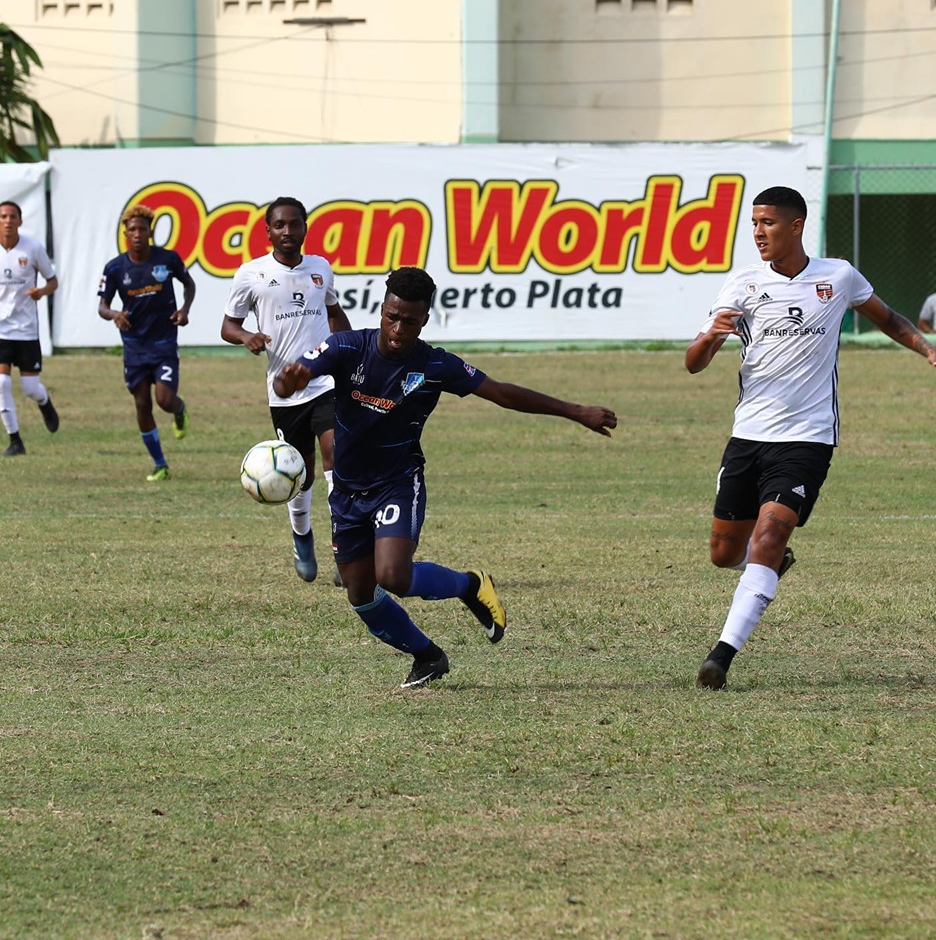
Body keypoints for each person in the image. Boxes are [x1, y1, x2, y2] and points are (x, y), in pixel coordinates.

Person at [274, 266, 618, 689]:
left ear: (425, 319)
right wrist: (289, 383)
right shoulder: (346, 346)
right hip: (346, 491)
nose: (398, 329)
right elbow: (294, 378)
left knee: (393, 576)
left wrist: (576, 411)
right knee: (359, 592)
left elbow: (501, 393)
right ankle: (428, 657)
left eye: (410, 321)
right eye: (392, 317)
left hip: (398, 483)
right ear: (382, 309)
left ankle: (470, 586)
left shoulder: (435, 364)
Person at [686, 186, 936, 691]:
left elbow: (888, 318)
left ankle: (721, 656)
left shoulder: (838, 276)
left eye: (767, 223)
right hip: (748, 435)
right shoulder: (742, 284)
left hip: (807, 438)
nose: (758, 233)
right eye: (754, 223)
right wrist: (709, 338)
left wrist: (928, 350)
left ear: (796, 226)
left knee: (770, 535)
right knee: (724, 553)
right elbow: (693, 364)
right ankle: (770, 566)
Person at [221, 196, 351, 585]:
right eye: (280, 225)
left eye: (294, 224)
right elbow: (227, 326)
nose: (288, 231)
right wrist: (246, 336)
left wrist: (349, 351)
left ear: (305, 228)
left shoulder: (321, 268)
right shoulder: (251, 274)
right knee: (300, 473)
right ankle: (302, 535)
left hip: (325, 381)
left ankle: (344, 550)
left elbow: (333, 312)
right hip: (284, 392)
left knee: (336, 457)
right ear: (268, 231)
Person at [98, 204, 196, 481]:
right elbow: (102, 307)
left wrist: (184, 310)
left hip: (164, 342)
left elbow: (189, 284)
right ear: (125, 234)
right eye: (132, 230)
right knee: (142, 404)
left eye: (142, 229)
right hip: (134, 347)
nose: (137, 234)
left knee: (164, 400)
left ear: (150, 232)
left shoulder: (167, 259)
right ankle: (160, 464)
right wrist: (115, 314)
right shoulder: (115, 268)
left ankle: (179, 409)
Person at [0, 200, 60, 456]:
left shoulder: (33, 248)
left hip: (26, 330)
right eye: (3, 216)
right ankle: (15, 440)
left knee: (30, 389)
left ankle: (44, 402)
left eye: (12, 216)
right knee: (1, 383)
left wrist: (41, 292)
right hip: (1, 331)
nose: (8, 221)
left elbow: (53, 281)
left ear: (20, 221)